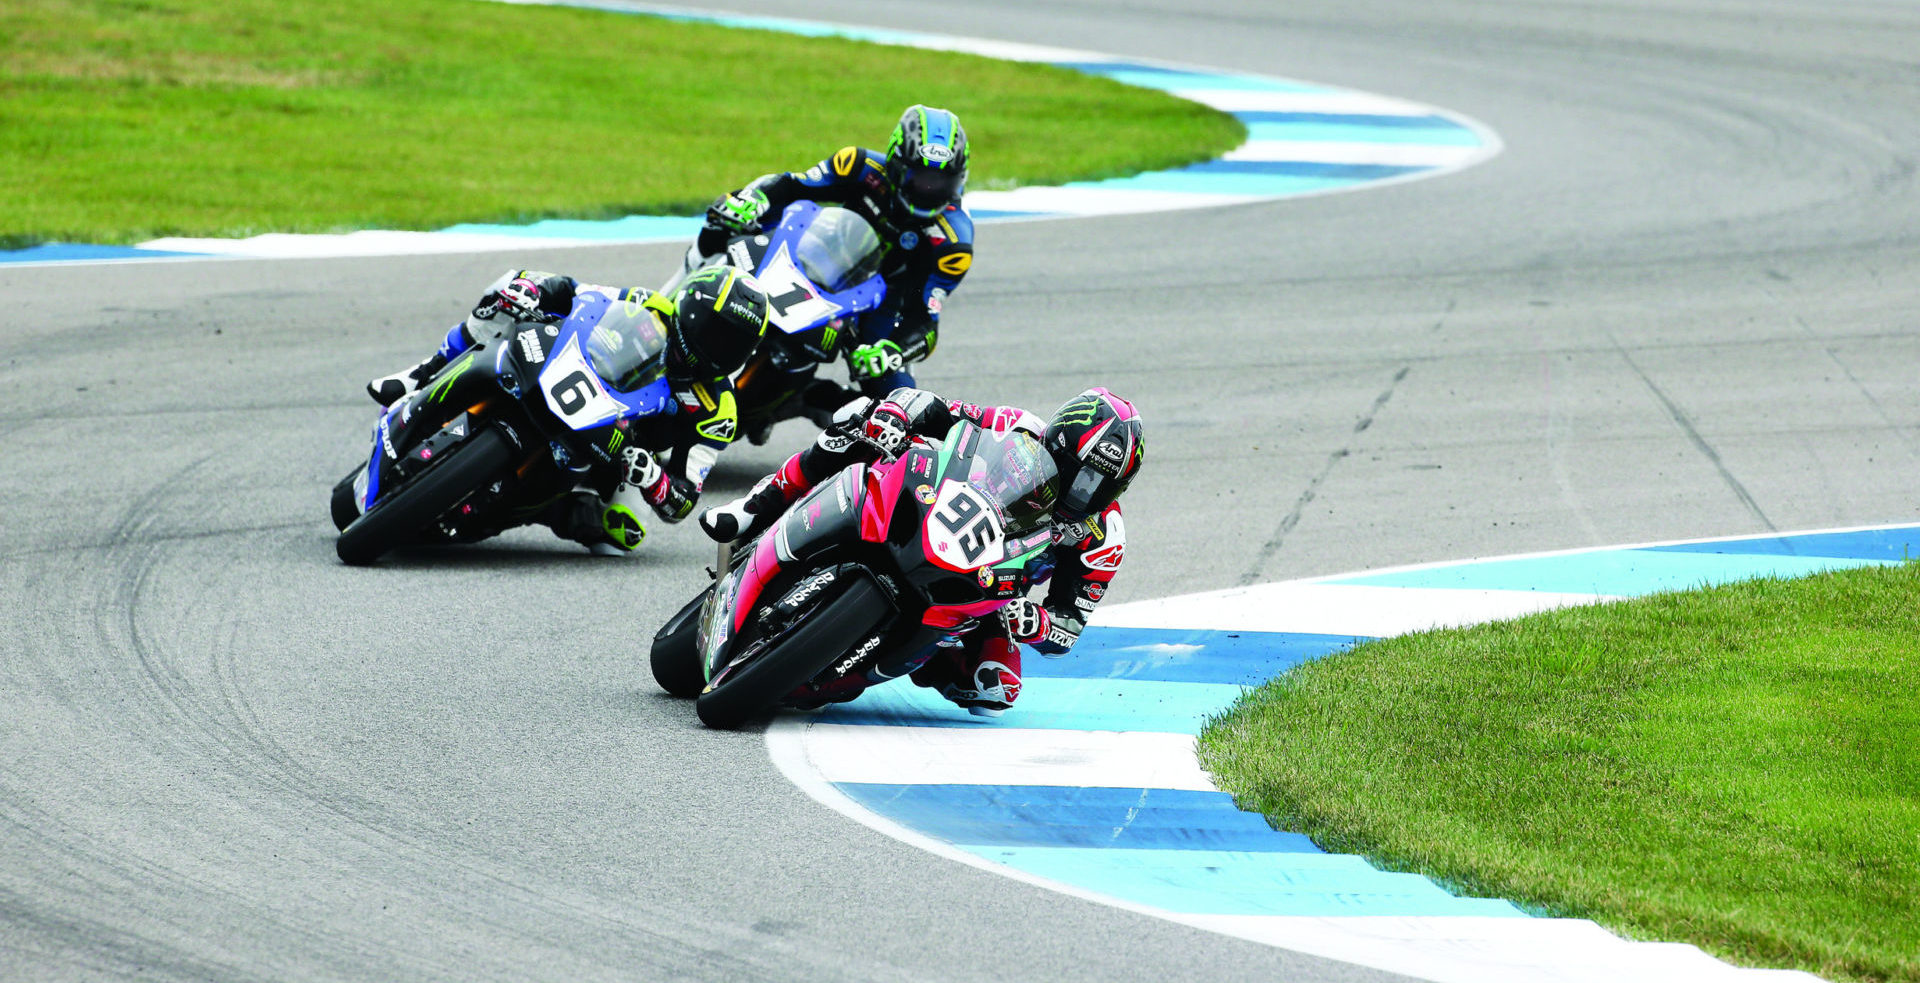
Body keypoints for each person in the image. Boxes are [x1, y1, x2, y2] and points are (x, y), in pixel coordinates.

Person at [698, 386, 1143, 716]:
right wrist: (896, 414)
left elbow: (1069, 625)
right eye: (1076, 472)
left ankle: (903, 657)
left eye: (1100, 485)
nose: (1083, 490)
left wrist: (1037, 622)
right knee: (855, 423)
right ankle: (753, 509)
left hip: (988, 586)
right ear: (1057, 440)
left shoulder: (1104, 535)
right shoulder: (1017, 426)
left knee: (997, 687)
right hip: (929, 510)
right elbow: (936, 408)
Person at [366, 266, 770, 554]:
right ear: (692, 309)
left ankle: (552, 514)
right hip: (573, 378)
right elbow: (575, 293)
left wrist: (651, 477)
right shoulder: (647, 304)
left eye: (731, 343)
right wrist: (533, 291)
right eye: (714, 332)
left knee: (618, 538)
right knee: (509, 285)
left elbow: (682, 502)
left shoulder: (719, 410)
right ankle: (422, 374)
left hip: (615, 453)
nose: (716, 347)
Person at [690, 104, 975, 415]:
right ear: (896, 164)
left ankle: (815, 401)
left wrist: (892, 351)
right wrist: (751, 200)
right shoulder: (857, 165)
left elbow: (925, 319)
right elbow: (791, 184)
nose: (929, 190)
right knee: (723, 223)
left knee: (901, 406)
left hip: (880, 300)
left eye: (940, 181)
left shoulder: (954, 242)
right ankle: (677, 293)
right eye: (919, 178)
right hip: (817, 252)